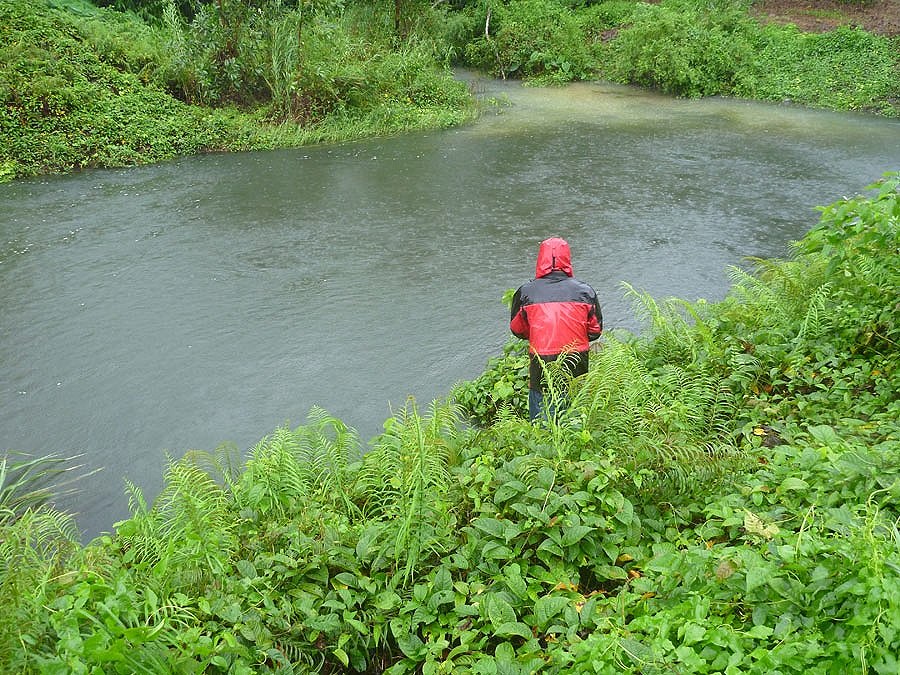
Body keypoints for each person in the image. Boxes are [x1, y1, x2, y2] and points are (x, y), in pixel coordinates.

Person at [509, 237, 603, 421]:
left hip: (542, 358)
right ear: (567, 259)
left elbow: (517, 329)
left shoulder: (526, 292)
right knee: (576, 405)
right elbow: (595, 330)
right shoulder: (585, 291)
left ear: (540, 259)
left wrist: (538, 332)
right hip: (577, 356)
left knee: (540, 404)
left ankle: (542, 441)